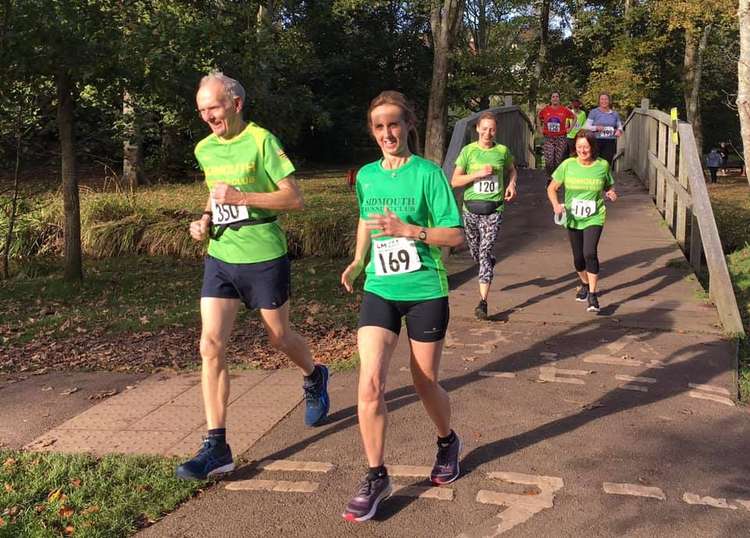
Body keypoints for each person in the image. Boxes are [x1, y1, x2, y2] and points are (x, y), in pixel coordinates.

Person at [176, 72, 330, 480]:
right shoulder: (205, 148)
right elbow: (215, 192)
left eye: (214, 107)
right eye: (202, 110)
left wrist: (243, 197)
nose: (207, 116)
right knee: (210, 345)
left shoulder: (262, 141)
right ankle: (217, 445)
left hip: (264, 253)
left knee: (279, 337)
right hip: (222, 254)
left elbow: (294, 198)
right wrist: (205, 219)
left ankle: (314, 376)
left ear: (236, 104)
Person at [340, 90, 465, 522]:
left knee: (423, 382)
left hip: (425, 289)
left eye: (393, 124)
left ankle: (447, 441)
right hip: (380, 288)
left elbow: (454, 235)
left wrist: (410, 230)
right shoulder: (367, 176)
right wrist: (359, 259)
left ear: (408, 124)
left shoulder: (428, 174)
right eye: (378, 127)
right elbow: (364, 216)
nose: (387, 133)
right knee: (370, 382)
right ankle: (375, 475)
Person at [451, 112, 517, 319]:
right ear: (477, 129)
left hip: (494, 209)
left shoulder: (502, 151)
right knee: (476, 252)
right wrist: (477, 174)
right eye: (485, 128)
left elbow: (512, 170)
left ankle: (483, 302)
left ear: (496, 131)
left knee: (484, 251)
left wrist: (512, 184)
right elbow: (455, 181)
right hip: (471, 209)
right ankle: (487, 259)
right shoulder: (468, 152)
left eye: (492, 129)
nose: (488, 133)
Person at [547, 130, 618, 313]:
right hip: (573, 217)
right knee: (578, 259)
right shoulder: (568, 165)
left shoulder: (602, 165)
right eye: (579, 147)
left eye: (586, 147)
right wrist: (556, 205)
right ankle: (584, 283)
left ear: (592, 147)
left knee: (589, 253)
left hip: (595, 215)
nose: (582, 150)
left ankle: (593, 296)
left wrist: (610, 192)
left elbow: (608, 184)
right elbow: (552, 188)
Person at [538, 91, 576, 184]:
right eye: (553, 97)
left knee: (559, 159)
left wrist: (570, 129)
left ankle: (556, 180)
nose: (555, 98)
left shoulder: (564, 110)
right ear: (551, 99)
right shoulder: (545, 110)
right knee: (549, 159)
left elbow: (574, 118)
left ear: (559, 99)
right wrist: (540, 128)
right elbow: (538, 117)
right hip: (548, 137)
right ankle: (550, 178)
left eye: (557, 97)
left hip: (561, 137)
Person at [583, 93, 623, 166]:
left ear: (609, 101)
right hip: (596, 141)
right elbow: (586, 126)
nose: (604, 101)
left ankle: (606, 177)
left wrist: (619, 130)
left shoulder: (615, 114)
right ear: (599, 101)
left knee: (607, 163)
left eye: (606, 99)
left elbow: (620, 126)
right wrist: (596, 128)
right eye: (602, 99)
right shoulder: (594, 112)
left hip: (610, 141)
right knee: (595, 163)